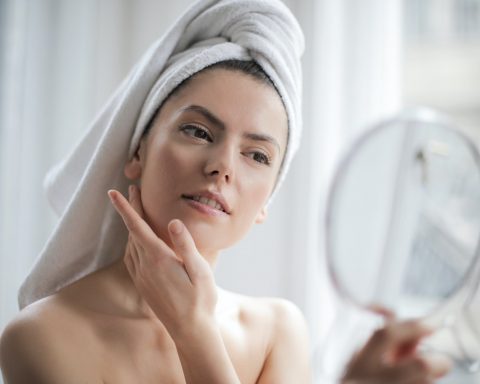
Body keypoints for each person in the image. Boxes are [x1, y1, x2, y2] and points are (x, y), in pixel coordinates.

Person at [0, 1, 451, 383]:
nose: (221, 167)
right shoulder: (42, 336)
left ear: (267, 202)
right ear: (137, 150)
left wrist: (194, 331)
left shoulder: (278, 332)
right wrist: (193, 332)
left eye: (257, 156)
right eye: (197, 131)